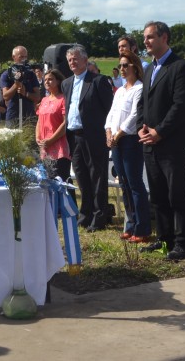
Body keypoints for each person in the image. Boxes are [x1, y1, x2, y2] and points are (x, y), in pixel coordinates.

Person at [136, 21, 185, 261]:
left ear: (164, 38)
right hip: (149, 142)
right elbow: (144, 103)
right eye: (144, 38)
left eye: (150, 37)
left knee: (176, 194)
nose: (146, 42)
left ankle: (182, 243)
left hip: (171, 143)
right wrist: (142, 128)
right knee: (157, 194)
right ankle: (164, 238)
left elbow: (180, 106)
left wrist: (159, 131)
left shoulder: (180, 67)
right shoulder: (150, 69)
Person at [62, 44, 115, 232]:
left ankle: (99, 217)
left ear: (85, 60)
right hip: (75, 137)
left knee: (97, 177)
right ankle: (85, 214)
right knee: (82, 178)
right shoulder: (67, 83)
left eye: (75, 58)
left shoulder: (98, 81)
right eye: (69, 60)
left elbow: (110, 110)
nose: (72, 62)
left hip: (94, 136)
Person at [106, 52, 149, 242]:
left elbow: (134, 116)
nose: (122, 69)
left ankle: (142, 227)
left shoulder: (139, 89)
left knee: (135, 184)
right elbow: (112, 113)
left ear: (135, 66)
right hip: (115, 140)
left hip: (129, 140)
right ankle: (130, 224)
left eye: (125, 65)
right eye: (120, 66)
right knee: (123, 183)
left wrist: (119, 133)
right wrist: (108, 132)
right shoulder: (121, 90)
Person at [36, 69, 70, 182]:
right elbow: (39, 120)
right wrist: (37, 138)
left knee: (61, 181)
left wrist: (51, 140)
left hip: (59, 146)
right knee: (47, 182)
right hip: (45, 147)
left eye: (50, 79)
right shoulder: (44, 100)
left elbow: (65, 123)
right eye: (45, 80)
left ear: (58, 81)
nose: (47, 82)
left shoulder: (63, 99)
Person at [0, 45, 40, 127]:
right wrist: (16, 84)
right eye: (21, 57)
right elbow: (5, 96)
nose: (24, 59)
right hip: (13, 117)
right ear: (13, 57)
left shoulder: (31, 74)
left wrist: (25, 93)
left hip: (29, 117)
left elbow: (37, 97)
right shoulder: (7, 74)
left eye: (25, 57)